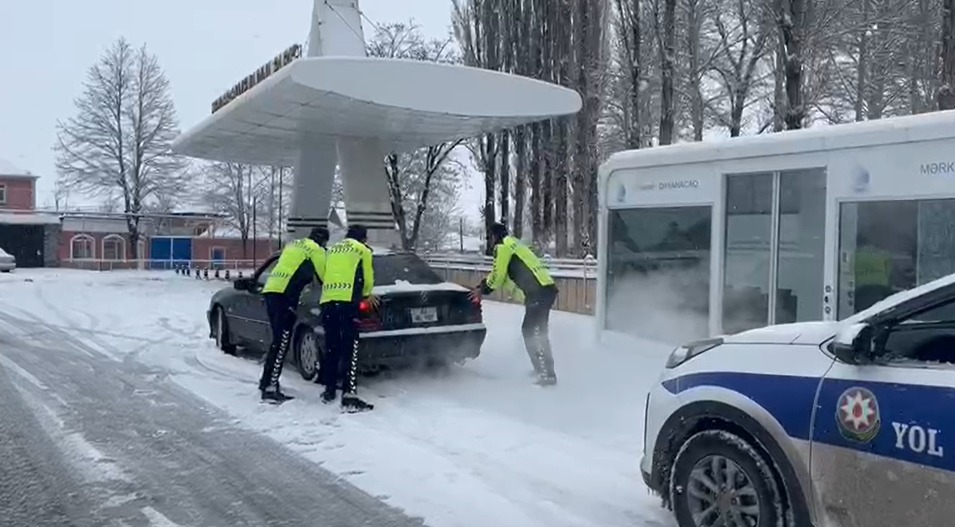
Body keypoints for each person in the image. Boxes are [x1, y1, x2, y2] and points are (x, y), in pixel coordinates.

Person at [470, 222, 559, 386]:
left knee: (533, 331)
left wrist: (482, 289)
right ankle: (542, 369)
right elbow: (503, 278)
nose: (489, 241)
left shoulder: (502, 247)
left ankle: (547, 373)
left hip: (538, 292)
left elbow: (498, 275)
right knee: (534, 330)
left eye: (490, 237)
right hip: (543, 290)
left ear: (495, 236)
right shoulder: (514, 244)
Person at [258, 226, 329, 404]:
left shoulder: (294, 245)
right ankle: (270, 388)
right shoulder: (315, 250)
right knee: (282, 342)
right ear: (323, 241)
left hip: (271, 290)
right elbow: (324, 277)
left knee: (277, 340)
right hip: (284, 295)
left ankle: (266, 382)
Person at [319, 224, 378, 412]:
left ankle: (329, 391)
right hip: (348, 303)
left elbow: (322, 273)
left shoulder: (332, 249)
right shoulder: (362, 250)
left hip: (328, 301)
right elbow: (368, 277)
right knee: (350, 347)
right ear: (364, 238)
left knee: (331, 346)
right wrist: (367, 293)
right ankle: (349, 394)